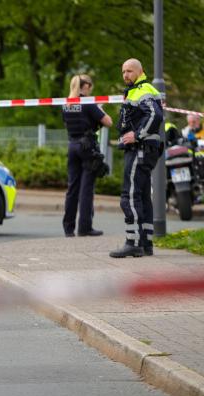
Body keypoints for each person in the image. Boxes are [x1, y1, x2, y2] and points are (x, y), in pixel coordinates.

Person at [109, 59, 163, 258]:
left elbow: (155, 115)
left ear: (140, 72)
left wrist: (137, 135)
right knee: (141, 196)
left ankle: (133, 242)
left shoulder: (143, 90)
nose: (125, 75)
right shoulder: (135, 90)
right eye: (123, 71)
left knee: (130, 195)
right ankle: (146, 243)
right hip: (144, 150)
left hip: (140, 149)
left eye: (129, 71)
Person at [61, 74, 112, 237]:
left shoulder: (66, 103)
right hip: (87, 148)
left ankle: (68, 229)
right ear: (86, 86)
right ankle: (85, 228)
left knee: (72, 188)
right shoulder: (88, 103)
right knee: (86, 189)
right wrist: (100, 108)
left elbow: (67, 123)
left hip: (72, 146)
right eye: (91, 87)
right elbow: (108, 122)